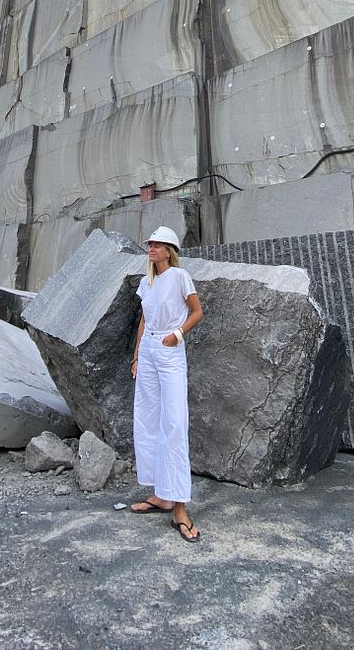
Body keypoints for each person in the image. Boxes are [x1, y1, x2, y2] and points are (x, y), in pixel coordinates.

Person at [129, 226, 204, 543]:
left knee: (174, 422)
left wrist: (178, 334)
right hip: (147, 350)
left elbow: (198, 311)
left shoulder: (179, 277)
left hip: (171, 348)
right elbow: (144, 320)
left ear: (169, 249)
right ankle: (161, 494)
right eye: (150, 244)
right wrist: (135, 356)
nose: (151, 248)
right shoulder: (148, 282)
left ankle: (180, 508)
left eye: (157, 245)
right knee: (147, 419)